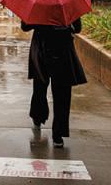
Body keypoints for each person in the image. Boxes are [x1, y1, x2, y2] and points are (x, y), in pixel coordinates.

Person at [21, 18, 86, 149]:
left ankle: (37, 117)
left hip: (41, 50)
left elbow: (25, 26)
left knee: (39, 87)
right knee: (62, 94)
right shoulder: (66, 4)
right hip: (62, 51)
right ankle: (58, 135)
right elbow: (77, 28)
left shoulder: (38, 4)